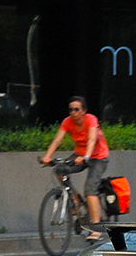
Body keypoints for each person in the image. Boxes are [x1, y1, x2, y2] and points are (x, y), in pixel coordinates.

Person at [41, 96, 110, 242]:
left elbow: (92, 139)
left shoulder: (91, 120)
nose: (73, 112)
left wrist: (86, 156)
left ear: (84, 111)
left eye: (77, 109)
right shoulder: (67, 122)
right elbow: (57, 139)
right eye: (71, 109)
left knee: (90, 190)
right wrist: (47, 157)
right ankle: (76, 201)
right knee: (60, 170)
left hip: (98, 157)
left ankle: (96, 229)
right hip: (79, 154)